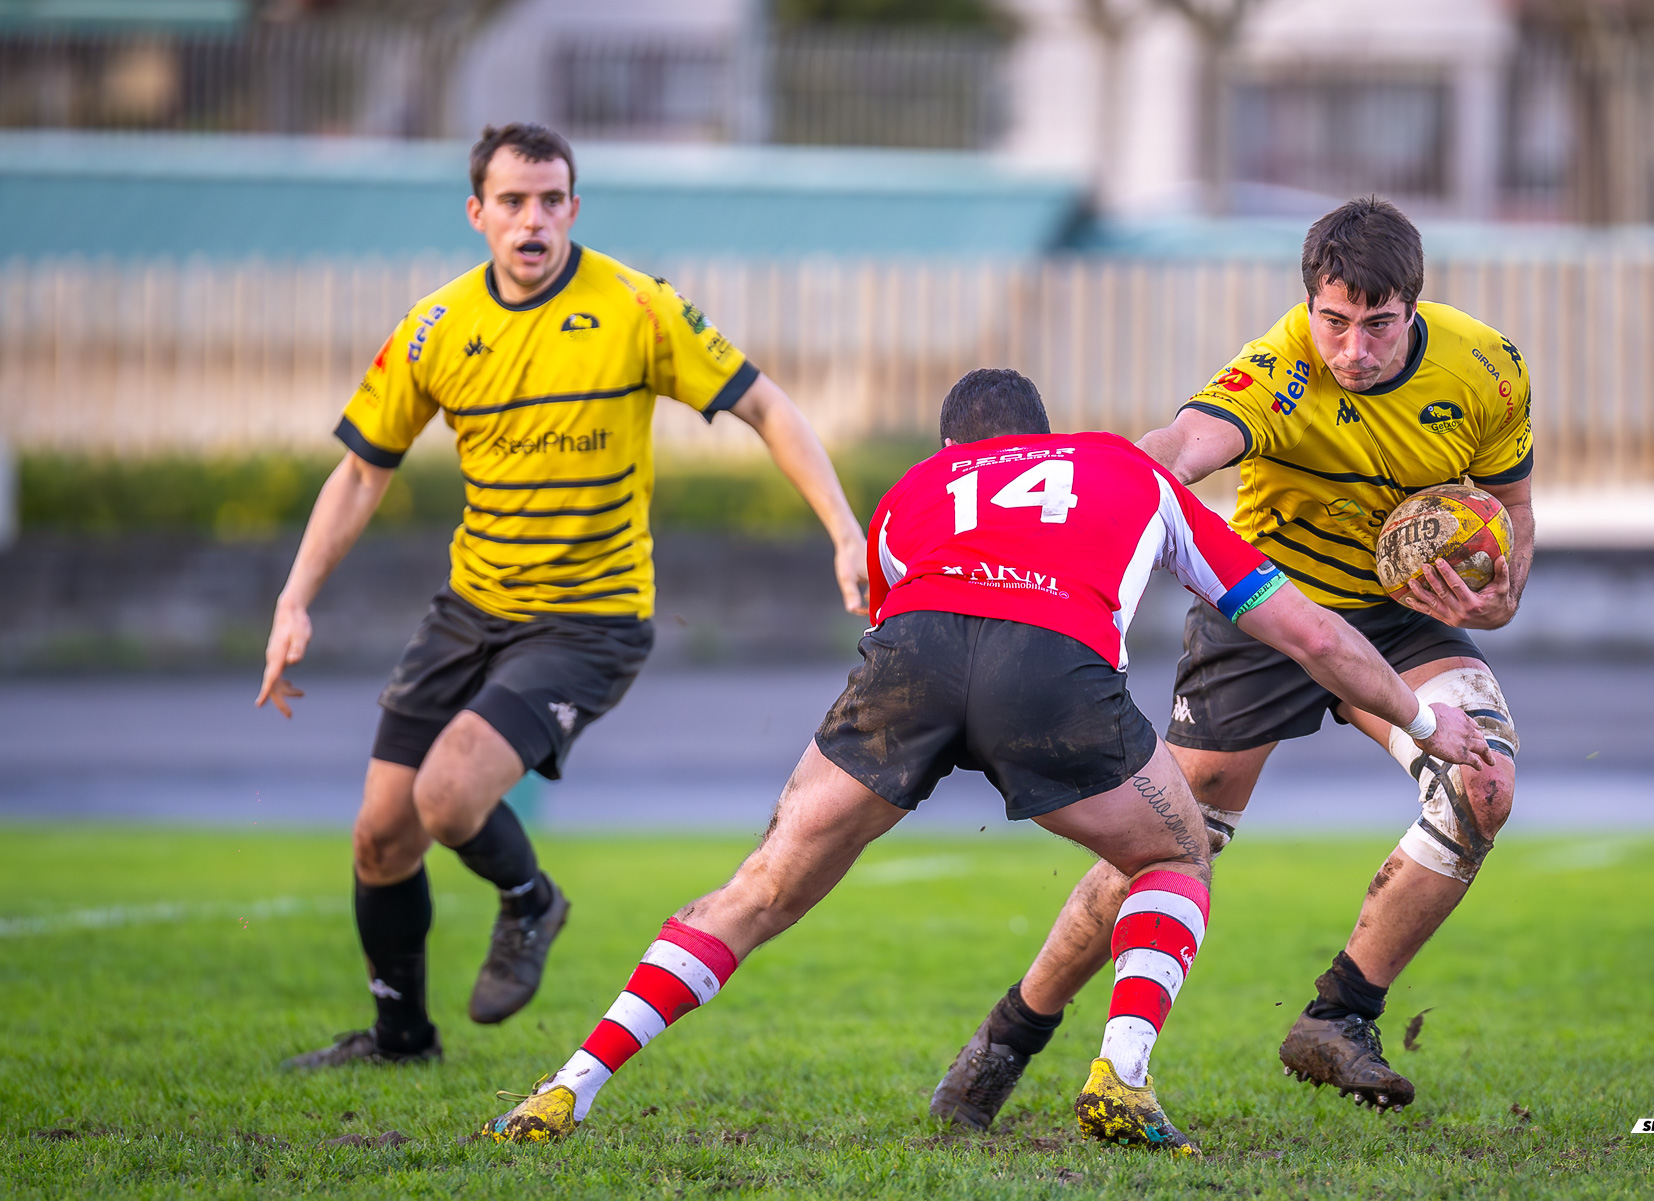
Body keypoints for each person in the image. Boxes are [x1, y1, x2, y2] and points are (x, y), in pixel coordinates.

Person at [476, 368, 1492, 1150]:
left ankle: (570, 1081)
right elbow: (1309, 635)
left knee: (757, 890)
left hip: (908, 667)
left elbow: (898, 627)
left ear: (952, 447)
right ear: (1044, 441)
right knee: (1176, 854)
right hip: (1049, 668)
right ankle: (1121, 1074)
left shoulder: (910, 492)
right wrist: (1419, 717)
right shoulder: (1127, 471)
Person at [263, 123, 868, 1069]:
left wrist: (842, 526)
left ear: (573, 208)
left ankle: (530, 899)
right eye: (513, 202)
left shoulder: (636, 306)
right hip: (469, 609)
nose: (533, 219)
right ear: (478, 215)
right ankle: (401, 1038)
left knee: (449, 794)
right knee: (381, 836)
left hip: (589, 619)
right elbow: (359, 473)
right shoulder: (436, 327)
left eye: (552, 200)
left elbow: (766, 406)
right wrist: (295, 597)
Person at [932, 197, 1534, 1127]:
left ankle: (1340, 1016)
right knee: (1172, 842)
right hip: (1266, 617)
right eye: (1334, 322)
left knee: (1483, 783)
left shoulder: (1489, 366)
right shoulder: (1281, 368)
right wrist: (1090, 500)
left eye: (1378, 325)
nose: (1353, 350)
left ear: (1414, 305)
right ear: (1309, 306)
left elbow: (1509, 501)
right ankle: (1015, 1031)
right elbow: (1181, 446)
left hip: (1398, 622)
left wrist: (1505, 590)